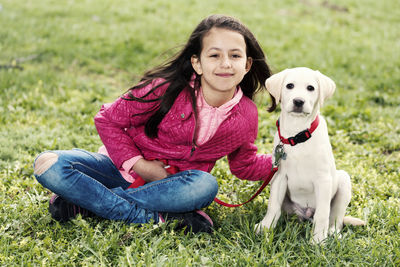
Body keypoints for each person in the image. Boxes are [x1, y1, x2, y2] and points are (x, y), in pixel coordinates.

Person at [33, 14, 275, 233]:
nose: (225, 64)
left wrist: (284, 157)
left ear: (247, 64)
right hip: (117, 170)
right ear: (197, 63)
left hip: (173, 188)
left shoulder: (246, 115)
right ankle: (155, 218)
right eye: (214, 55)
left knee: (205, 186)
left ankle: (89, 202)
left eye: (235, 55)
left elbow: (244, 165)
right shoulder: (164, 89)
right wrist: (140, 165)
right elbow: (107, 120)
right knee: (49, 164)